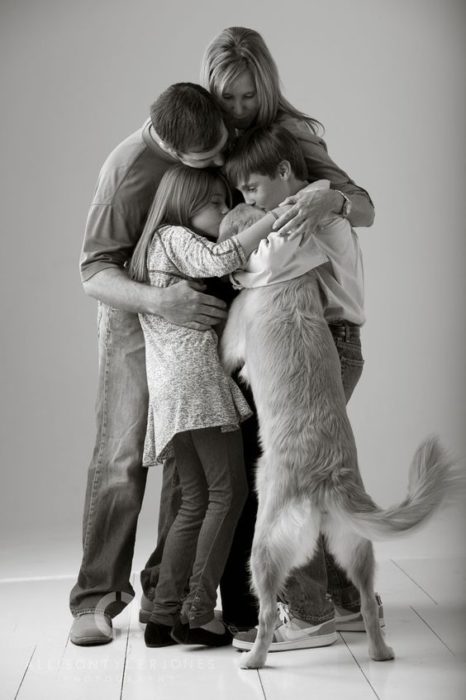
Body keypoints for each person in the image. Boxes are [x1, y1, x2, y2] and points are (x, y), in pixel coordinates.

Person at [141, 27, 377, 638]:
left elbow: (354, 209)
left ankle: (305, 606)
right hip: (269, 341)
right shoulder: (203, 145)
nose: (240, 109)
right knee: (288, 470)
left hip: (312, 339)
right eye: (231, 98)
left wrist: (322, 199)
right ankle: (319, 600)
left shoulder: (289, 163)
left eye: (250, 96)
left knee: (285, 471)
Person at [70, 83, 233, 646]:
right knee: (122, 453)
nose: (219, 160)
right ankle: (94, 600)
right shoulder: (126, 174)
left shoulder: (198, 127)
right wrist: (165, 302)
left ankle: (166, 597)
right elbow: (92, 273)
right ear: (171, 145)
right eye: (208, 157)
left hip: (187, 314)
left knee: (185, 453)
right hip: (136, 312)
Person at [222, 123, 383, 652]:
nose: (249, 201)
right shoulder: (314, 202)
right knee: (322, 473)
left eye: (252, 189)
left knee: (298, 474)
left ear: (286, 173)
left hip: (326, 340)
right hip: (340, 338)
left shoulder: (307, 204)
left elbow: (265, 265)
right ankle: (353, 605)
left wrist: (238, 229)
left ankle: (310, 614)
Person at [128, 164, 287, 648]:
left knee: (195, 502)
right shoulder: (173, 236)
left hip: (172, 392)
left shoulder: (157, 247)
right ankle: (196, 612)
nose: (225, 210)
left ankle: (162, 614)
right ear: (183, 202)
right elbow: (224, 256)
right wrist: (277, 217)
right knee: (230, 493)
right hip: (197, 387)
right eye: (215, 203)